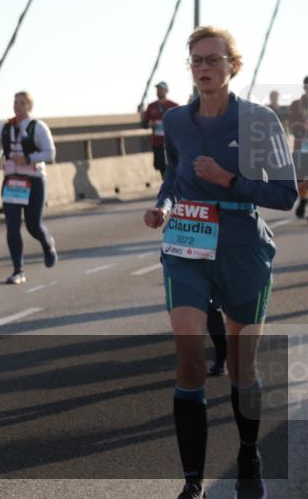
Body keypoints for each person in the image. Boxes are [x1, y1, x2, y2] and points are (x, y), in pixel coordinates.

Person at [142, 26, 297, 499]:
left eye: (213, 60)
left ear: (233, 65)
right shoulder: (176, 122)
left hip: (242, 248)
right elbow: (173, 175)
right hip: (186, 247)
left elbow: (286, 193)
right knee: (188, 357)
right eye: (196, 61)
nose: (204, 68)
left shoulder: (260, 120)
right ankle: (192, 483)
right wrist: (164, 206)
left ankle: (248, 455)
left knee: (241, 368)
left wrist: (230, 180)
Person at [0, 91, 57, 285]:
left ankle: (47, 244)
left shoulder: (38, 127)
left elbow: (50, 153)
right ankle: (18, 270)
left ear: (29, 106)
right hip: (12, 181)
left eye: (22, 103)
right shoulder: (5, 127)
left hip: (34, 180)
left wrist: (28, 159)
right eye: (16, 103)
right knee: (12, 226)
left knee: (33, 225)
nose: (18, 107)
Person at [142, 81, 179, 177]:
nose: (159, 91)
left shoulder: (174, 105)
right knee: (160, 165)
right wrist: (149, 124)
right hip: (157, 142)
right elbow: (145, 124)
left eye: (161, 89)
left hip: (171, 142)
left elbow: (180, 123)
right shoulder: (151, 106)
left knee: (173, 165)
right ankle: (166, 184)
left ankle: (173, 186)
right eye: (157, 89)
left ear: (166, 90)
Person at [289, 76, 308, 219]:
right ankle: (303, 200)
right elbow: (292, 126)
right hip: (300, 147)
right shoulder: (296, 105)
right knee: (300, 180)